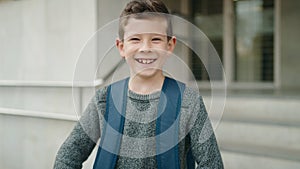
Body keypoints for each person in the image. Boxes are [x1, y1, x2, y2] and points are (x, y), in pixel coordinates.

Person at [53, 0, 223, 168]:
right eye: (135, 39)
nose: (146, 48)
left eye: (156, 39)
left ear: (170, 45)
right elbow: (67, 156)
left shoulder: (189, 101)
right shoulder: (104, 99)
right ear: (121, 47)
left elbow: (212, 164)